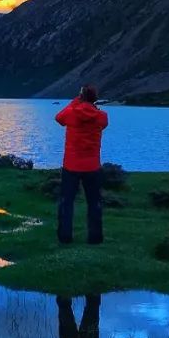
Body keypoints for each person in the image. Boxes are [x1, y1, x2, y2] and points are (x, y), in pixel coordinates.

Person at [54, 84, 109, 244]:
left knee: (66, 201)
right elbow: (103, 124)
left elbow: (59, 118)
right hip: (92, 166)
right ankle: (95, 237)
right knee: (94, 202)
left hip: (71, 165)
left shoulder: (72, 113)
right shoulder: (101, 116)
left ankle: (65, 237)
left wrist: (76, 101)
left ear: (81, 96)